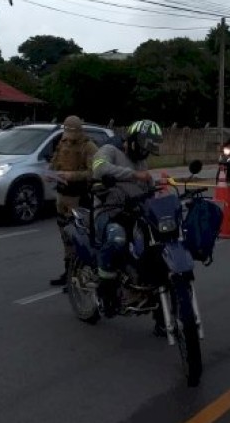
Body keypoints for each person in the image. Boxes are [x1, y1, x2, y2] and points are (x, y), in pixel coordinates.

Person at [91, 119, 162, 319]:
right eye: (143, 147)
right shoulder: (108, 150)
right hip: (108, 211)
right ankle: (107, 292)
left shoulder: (141, 161)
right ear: (132, 140)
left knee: (156, 246)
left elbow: (147, 186)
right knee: (117, 239)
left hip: (133, 213)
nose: (144, 153)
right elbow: (99, 169)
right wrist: (134, 175)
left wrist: (155, 188)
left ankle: (161, 311)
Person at [49, 116, 98, 291]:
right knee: (65, 236)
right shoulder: (62, 144)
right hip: (62, 195)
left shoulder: (88, 146)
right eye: (67, 131)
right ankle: (68, 273)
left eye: (72, 131)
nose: (69, 136)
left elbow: (94, 172)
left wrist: (72, 176)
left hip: (79, 196)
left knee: (78, 237)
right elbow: (54, 163)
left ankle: (78, 274)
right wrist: (52, 173)